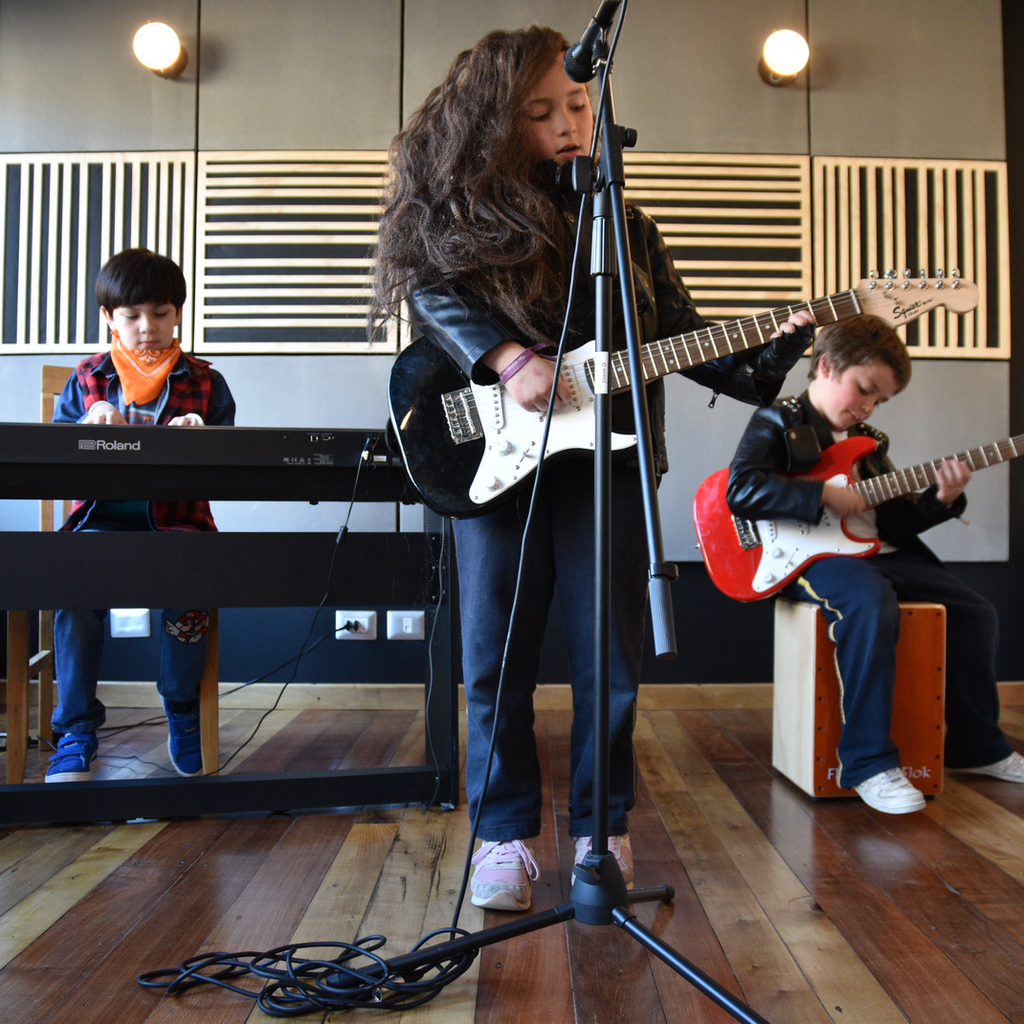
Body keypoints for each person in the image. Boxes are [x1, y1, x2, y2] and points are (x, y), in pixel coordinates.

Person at [370, 25, 812, 911]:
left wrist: (776, 350)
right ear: (495, 124)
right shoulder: (461, 211)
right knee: (498, 658)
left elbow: (681, 338)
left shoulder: (627, 224)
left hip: (607, 462)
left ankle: (600, 834)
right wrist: (504, 357)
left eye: (576, 104)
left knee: (609, 660)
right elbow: (427, 290)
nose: (569, 123)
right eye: (540, 112)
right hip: (494, 460)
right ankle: (501, 838)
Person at [726, 314, 1024, 813]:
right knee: (869, 602)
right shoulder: (779, 419)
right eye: (864, 389)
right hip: (810, 556)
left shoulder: (871, 441)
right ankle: (867, 764)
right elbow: (740, 490)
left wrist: (942, 498)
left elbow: (896, 526)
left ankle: (977, 747)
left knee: (976, 613)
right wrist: (821, 495)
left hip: (878, 553)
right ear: (826, 365)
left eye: (878, 401)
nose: (866, 406)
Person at [45, 247, 236, 784]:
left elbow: (235, 467)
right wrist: (87, 423)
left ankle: (181, 708)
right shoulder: (87, 378)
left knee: (191, 581)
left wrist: (203, 445)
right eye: (130, 316)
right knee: (74, 589)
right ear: (109, 318)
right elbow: (51, 462)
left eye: (159, 312)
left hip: (179, 521)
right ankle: (76, 729)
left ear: (177, 314)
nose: (146, 327)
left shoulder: (205, 381)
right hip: (98, 521)